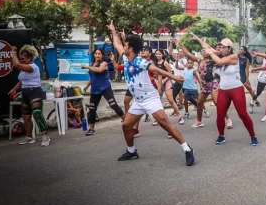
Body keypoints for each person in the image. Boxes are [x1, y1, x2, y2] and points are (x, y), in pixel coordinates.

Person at [107, 21, 194, 165]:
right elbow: (117, 43)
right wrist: (114, 31)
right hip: (139, 101)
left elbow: (156, 70)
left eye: (126, 45)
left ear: (132, 48)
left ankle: (187, 148)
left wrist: (174, 77)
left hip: (150, 98)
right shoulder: (125, 57)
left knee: (164, 123)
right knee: (126, 126)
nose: (124, 46)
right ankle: (131, 151)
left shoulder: (140, 61)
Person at [193, 34, 258, 146]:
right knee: (220, 114)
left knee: (242, 114)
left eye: (224, 47)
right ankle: (221, 136)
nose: (221, 49)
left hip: (236, 89)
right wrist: (199, 40)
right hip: (223, 90)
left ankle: (253, 136)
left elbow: (219, 62)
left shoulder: (233, 57)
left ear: (229, 48)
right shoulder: (219, 54)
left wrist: (211, 52)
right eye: (220, 47)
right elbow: (208, 48)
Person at [175, 37, 232, 129]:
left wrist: (205, 44)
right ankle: (199, 121)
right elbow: (187, 53)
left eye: (205, 50)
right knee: (199, 103)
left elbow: (217, 53)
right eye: (202, 50)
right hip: (204, 86)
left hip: (212, 84)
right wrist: (180, 43)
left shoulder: (213, 60)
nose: (203, 51)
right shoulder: (199, 60)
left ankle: (228, 119)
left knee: (217, 103)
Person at [9, 45, 50, 146]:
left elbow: (17, 65)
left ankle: (45, 137)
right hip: (25, 93)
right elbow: (21, 81)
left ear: (29, 58)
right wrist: (14, 89)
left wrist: (13, 53)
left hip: (35, 91)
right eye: (20, 57)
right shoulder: (23, 69)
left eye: (23, 57)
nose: (21, 59)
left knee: (37, 114)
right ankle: (29, 137)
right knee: (26, 117)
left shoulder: (32, 67)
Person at [82, 48, 125, 136]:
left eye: (99, 54)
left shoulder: (104, 63)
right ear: (94, 55)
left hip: (105, 88)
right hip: (95, 89)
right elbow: (92, 76)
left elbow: (99, 70)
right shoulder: (92, 64)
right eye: (96, 53)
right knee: (92, 109)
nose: (97, 55)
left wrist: (87, 67)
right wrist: (87, 86)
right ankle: (91, 128)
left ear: (102, 55)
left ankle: (126, 120)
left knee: (113, 104)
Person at [152, 49, 184, 125]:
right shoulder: (154, 63)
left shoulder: (165, 63)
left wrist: (163, 80)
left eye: (159, 54)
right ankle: (158, 118)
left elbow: (169, 73)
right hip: (158, 83)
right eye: (156, 54)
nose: (158, 55)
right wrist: (157, 82)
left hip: (166, 82)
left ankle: (180, 117)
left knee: (171, 100)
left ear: (162, 55)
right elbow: (153, 74)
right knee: (157, 101)